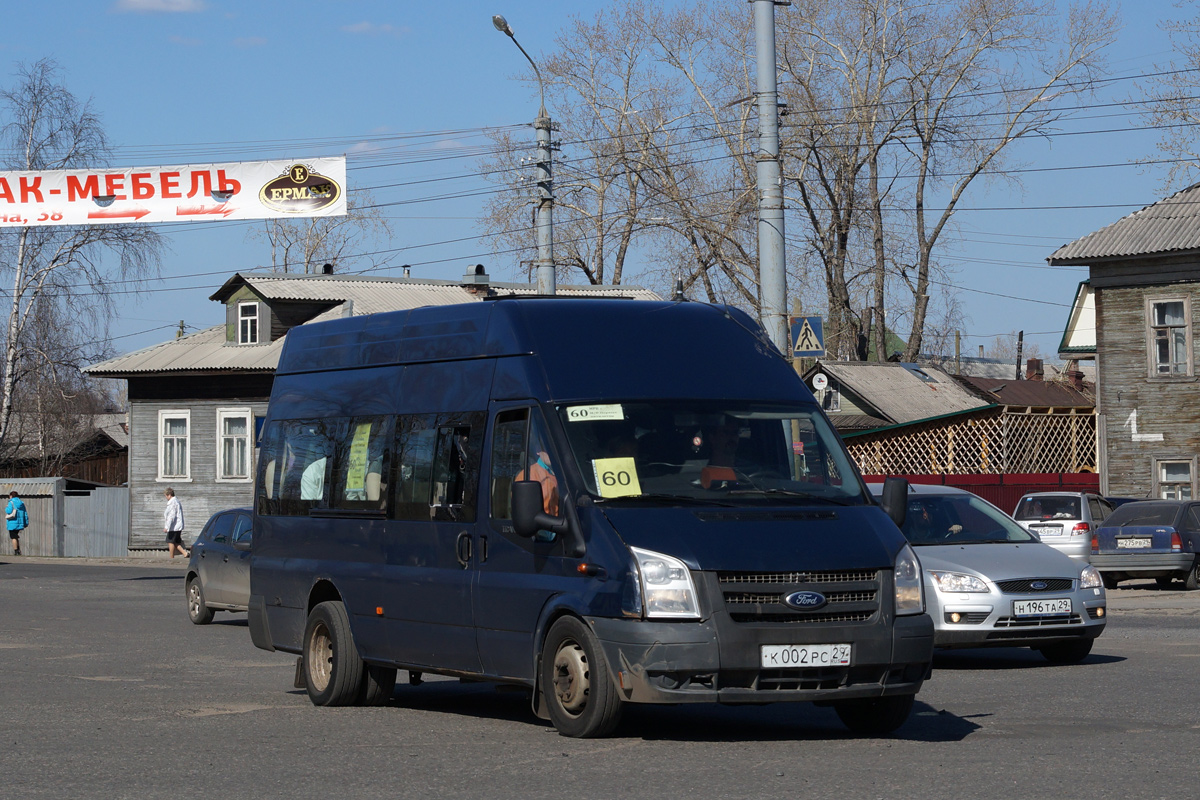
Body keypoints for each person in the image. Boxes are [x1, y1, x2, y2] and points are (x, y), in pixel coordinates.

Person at [163, 487, 189, 559]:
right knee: (176, 542)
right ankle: (185, 553)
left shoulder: (173, 503)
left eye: (166, 496)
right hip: (177, 526)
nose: (166, 497)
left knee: (170, 541)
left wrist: (167, 527)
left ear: (169, 495)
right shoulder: (176, 501)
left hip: (174, 527)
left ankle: (171, 557)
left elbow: (171, 516)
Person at [6, 490, 28, 556]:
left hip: (12, 522)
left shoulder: (11, 502)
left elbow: (8, 511)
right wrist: (25, 522)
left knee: (13, 537)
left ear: (11, 496)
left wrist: (7, 507)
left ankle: (16, 551)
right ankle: (18, 550)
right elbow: (25, 513)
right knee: (16, 536)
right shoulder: (21, 503)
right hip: (20, 523)